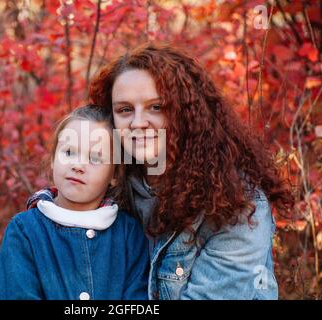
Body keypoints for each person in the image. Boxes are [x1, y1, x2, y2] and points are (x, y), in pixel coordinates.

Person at [28, 42, 294, 300]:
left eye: (156, 107)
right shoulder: (115, 187)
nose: (138, 123)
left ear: (188, 113)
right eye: (124, 110)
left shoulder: (237, 205)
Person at [0, 104, 149, 300]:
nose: (77, 165)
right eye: (68, 153)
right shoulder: (24, 231)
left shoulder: (129, 234)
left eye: (95, 158)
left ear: (115, 174)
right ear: (52, 160)